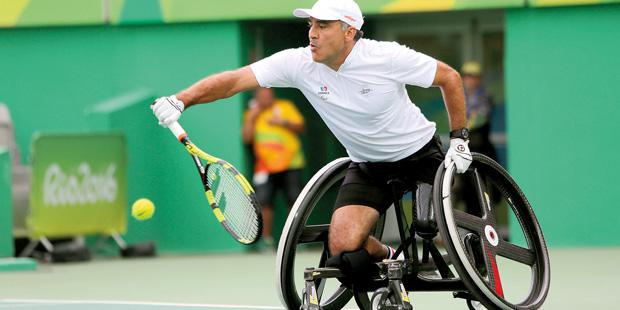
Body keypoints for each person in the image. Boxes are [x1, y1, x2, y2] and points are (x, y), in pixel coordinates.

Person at [152, 0, 471, 285]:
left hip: (419, 155)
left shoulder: (386, 56)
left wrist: (459, 138)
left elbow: (449, 78)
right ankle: (391, 256)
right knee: (343, 249)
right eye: (311, 25)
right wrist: (182, 100)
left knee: (428, 228)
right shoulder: (298, 64)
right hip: (368, 167)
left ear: (349, 31)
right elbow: (234, 81)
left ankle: (475, 256)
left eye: (323, 25)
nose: (313, 33)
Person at [241, 87, 305, 249]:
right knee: (264, 203)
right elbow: (246, 139)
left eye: (270, 95)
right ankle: (266, 241)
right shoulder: (252, 114)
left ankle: (296, 240)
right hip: (265, 167)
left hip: (291, 164)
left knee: (295, 201)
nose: (267, 98)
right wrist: (251, 119)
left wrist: (282, 122)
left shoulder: (285, 107)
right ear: (257, 98)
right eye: (263, 96)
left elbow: (301, 127)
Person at [461, 61, 497, 161]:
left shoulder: (485, 95)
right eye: (467, 76)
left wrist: (466, 124)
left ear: (479, 79)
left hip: (482, 146)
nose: (469, 80)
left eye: (473, 76)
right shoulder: (460, 95)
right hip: (464, 146)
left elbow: (481, 116)